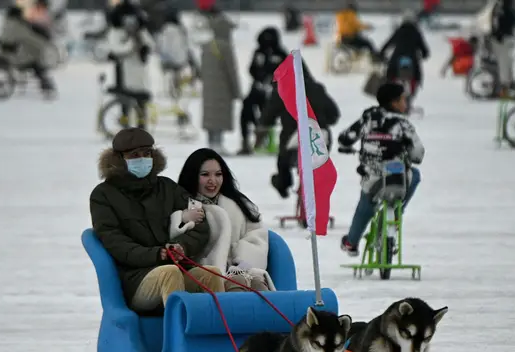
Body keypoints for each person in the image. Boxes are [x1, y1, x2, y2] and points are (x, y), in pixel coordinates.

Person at [90, 128, 224, 316]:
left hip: (177, 267)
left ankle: (218, 335)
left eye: (147, 153)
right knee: (169, 273)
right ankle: (177, 339)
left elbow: (200, 224)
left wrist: (182, 248)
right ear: (119, 159)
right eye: (134, 155)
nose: (142, 159)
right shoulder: (103, 195)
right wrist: (157, 254)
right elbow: (115, 242)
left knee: (211, 274)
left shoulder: (167, 187)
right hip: (136, 280)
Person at [336, 82, 424, 256]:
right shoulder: (403, 124)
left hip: (372, 176)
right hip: (398, 176)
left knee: (366, 203)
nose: (406, 103)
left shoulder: (368, 119)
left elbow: (345, 138)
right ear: (394, 102)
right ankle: (398, 211)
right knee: (415, 175)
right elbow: (418, 155)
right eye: (403, 99)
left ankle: (351, 242)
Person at [174, 148, 274, 292]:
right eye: (205, 175)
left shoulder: (240, 204)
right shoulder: (182, 205)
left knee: (255, 282)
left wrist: (240, 262)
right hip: (203, 276)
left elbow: (257, 236)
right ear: (193, 176)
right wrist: (183, 218)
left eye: (218, 174)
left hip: (242, 269)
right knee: (237, 283)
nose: (212, 181)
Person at [256, 60, 340, 199]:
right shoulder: (317, 89)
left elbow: (267, 117)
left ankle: (283, 183)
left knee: (283, 162)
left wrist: (265, 126)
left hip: (293, 141)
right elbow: (334, 115)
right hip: (320, 138)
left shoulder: (282, 90)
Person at [196, 0, 241, 154]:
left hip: (209, 90)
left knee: (210, 116)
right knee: (219, 117)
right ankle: (218, 144)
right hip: (223, 89)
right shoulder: (225, 47)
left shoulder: (207, 46)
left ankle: (210, 142)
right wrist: (237, 91)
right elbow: (231, 70)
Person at [238, 26, 287, 155]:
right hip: (256, 88)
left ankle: (266, 140)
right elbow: (251, 69)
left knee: (268, 112)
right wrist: (258, 78)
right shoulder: (258, 52)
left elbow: (286, 73)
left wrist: (272, 80)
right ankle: (246, 140)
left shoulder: (281, 54)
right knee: (246, 110)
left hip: (275, 91)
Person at [105, 0, 153, 127]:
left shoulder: (141, 32)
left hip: (139, 71)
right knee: (125, 99)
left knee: (141, 99)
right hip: (124, 70)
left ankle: (142, 126)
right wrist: (131, 44)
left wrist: (144, 48)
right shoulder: (117, 32)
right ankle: (126, 124)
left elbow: (149, 44)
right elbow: (116, 48)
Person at [0, 5, 56, 98]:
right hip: (13, 58)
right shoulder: (18, 27)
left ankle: (31, 83)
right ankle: (46, 86)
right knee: (36, 63)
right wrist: (44, 44)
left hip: (4, 54)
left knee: (29, 54)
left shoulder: (7, 24)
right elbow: (31, 38)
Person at [380, 10, 429, 102]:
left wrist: (381, 53)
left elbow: (388, 43)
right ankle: (410, 97)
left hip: (396, 59)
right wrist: (424, 55)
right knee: (416, 77)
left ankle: (390, 99)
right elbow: (425, 49)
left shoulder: (399, 31)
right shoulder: (416, 32)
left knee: (390, 76)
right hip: (413, 60)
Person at [489, 0, 515, 95]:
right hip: (504, 39)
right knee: (505, 63)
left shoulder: (503, 11)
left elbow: (502, 26)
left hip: (504, 39)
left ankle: (505, 87)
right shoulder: (503, 11)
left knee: (505, 63)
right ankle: (505, 87)